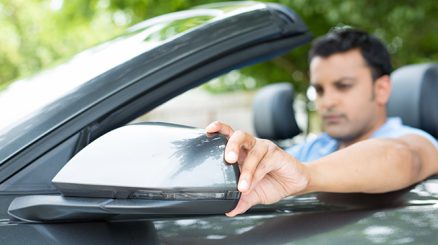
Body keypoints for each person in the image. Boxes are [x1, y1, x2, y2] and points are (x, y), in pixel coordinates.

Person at [205, 28, 438, 217]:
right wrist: (236, 168)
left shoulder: (415, 141)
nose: (327, 102)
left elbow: (404, 157)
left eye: (343, 86)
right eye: (319, 90)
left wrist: (307, 175)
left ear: (382, 89)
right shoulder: (315, 147)